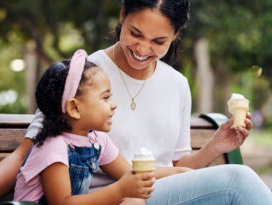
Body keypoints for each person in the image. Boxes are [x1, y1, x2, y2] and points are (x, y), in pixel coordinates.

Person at [0, 0, 272, 204]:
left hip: (146, 192)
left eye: (159, 41)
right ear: (122, 16)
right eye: (135, 33)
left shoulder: (177, 85)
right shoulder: (83, 75)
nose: (143, 49)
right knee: (236, 180)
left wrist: (215, 146)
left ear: (176, 35)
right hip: (104, 198)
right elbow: (25, 153)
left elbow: (172, 168)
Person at [13, 49, 189, 205]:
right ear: (74, 108)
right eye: (105, 98)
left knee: (132, 201)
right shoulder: (54, 147)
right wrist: (119, 190)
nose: (114, 105)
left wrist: (178, 172)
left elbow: (129, 172)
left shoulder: (96, 140)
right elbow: (62, 203)